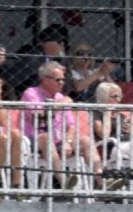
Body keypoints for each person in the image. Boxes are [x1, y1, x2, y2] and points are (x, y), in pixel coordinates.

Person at [21, 60, 101, 189]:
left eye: (63, 80)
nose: (62, 83)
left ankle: (102, 180)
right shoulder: (31, 93)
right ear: (44, 79)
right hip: (34, 141)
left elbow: (71, 125)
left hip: (58, 141)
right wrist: (61, 104)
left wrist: (68, 141)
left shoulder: (60, 97)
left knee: (86, 140)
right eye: (58, 80)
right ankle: (64, 181)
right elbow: (39, 116)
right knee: (45, 137)